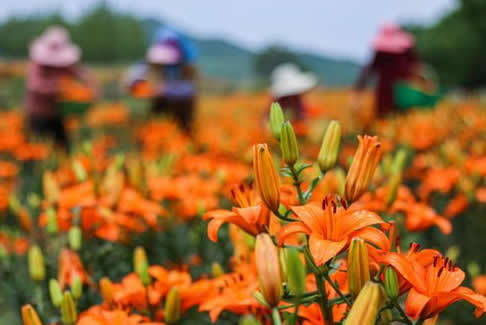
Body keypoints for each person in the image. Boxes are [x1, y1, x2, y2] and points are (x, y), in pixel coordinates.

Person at [25, 26, 96, 149]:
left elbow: (84, 75)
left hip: (58, 112)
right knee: (37, 146)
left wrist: (91, 89)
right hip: (38, 113)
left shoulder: (67, 64)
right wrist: (59, 88)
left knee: (63, 147)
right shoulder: (38, 64)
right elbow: (34, 85)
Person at [126, 27, 198, 132]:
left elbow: (188, 89)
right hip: (162, 100)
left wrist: (163, 90)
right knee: (155, 125)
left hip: (182, 103)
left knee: (184, 128)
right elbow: (135, 74)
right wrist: (135, 83)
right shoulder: (151, 62)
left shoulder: (186, 65)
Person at [351, 23, 419, 117]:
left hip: (386, 92)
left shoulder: (382, 52)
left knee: (384, 116)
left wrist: (357, 91)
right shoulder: (405, 51)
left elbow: (367, 72)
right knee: (401, 117)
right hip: (402, 91)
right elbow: (416, 67)